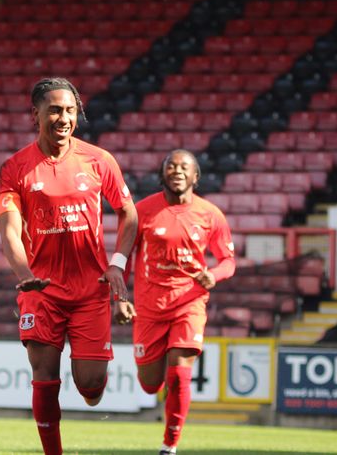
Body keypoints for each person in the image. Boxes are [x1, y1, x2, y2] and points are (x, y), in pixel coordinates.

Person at [0, 77, 137, 455]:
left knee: (91, 388)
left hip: (91, 290)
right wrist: (24, 275)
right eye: (55, 109)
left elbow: (128, 213)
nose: (63, 117)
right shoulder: (15, 169)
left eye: (70, 110)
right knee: (44, 376)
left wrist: (118, 265)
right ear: (36, 114)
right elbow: (9, 231)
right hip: (41, 290)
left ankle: (91, 384)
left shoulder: (98, 160)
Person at [116, 149, 236, 455]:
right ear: (163, 174)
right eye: (171, 166)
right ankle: (157, 392)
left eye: (185, 167)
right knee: (150, 383)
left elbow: (228, 260)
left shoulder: (211, 214)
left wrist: (214, 275)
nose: (178, 170)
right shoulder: (141, 211)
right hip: (149, 307)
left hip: (190, 302)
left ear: (195, 176)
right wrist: (120, 297)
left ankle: (169, 446)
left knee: (180, 372)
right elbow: (124, 257)